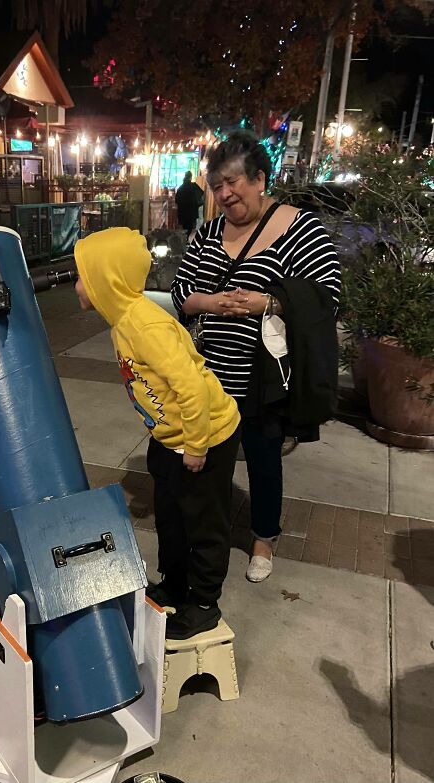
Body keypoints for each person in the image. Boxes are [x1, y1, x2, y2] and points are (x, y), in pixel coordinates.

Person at [171, 130, 340, 583]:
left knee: (263, 458)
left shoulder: (298, 226)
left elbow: (328, 295)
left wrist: (269, 302)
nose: (224, 194)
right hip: (208, 373)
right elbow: (180, 290)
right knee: (207, 458)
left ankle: (264, 537)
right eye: (217, 185)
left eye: (233, 182)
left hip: (263, 376)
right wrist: (211, 302)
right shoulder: (207, 233)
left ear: (260, 178)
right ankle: (208, 531)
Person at [74, 227, 241, 639]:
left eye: (82, 274)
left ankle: (203, 604)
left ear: (104, 279)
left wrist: (196, 446)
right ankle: (174, 583)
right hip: (172, 437)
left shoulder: (146, 326)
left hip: (207, 436)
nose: (76, 283)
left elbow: (191, 387)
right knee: (171, 515)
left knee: (203, 522)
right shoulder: (122, 322)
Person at [175, 171, 204, 238]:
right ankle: (187, 238)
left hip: (182, 211)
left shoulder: (180, 188)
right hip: (192, 211)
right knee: (190, 226)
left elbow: (177, 200)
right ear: (191, 177)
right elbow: (201, 193)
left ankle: (185, 238)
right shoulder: (194, 186)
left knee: (184, 226)